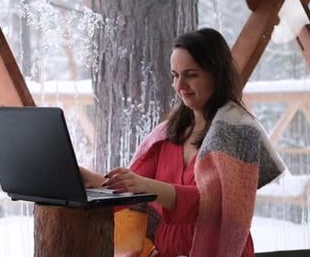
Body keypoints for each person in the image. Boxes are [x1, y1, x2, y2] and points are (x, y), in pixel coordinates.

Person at [80, 27, 284, 257]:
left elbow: (213, 205)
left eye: (191, 74)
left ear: (216, 74)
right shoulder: (165, 135)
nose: (180, 86)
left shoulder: (238, 133)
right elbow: (133, 195)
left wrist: (148, 186)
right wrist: (86, 178)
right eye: (175, 75)